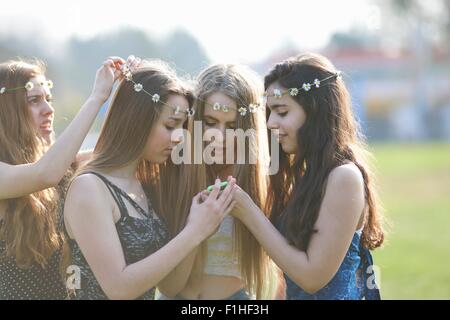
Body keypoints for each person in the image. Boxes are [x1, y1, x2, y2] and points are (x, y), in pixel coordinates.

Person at [63, 60, 237, 300]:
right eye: (170, 125)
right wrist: (195, 231)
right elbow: (118, 288)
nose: (179, 138)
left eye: (183, 127)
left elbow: (170, 286)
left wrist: (198, 226)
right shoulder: (89, 187)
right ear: (137, 119)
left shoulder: (145, 187)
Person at [231, 53, 384, 300]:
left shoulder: (344, 177)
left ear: (315, 112)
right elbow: (289, 277)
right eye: (269, 112)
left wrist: (249, 212)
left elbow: (312, 278)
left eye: (281, 111)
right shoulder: (305, 176)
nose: (270, 122)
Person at [0, 56, 130, 299]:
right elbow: (46, 173)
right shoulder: (24, 172)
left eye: (48, 99)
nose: (49, 110)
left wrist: (127, 89)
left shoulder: (63, 166)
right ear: (7, 110)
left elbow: (119, 153)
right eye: (34, 101)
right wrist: (96, 97)